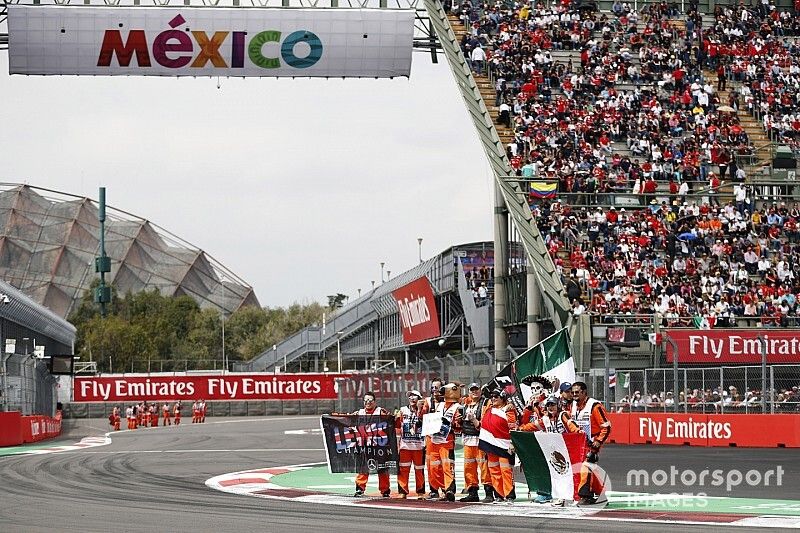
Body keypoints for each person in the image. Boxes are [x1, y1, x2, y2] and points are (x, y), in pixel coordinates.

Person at [519, 396, 582, 505]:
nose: (550, 407)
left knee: (571, 473)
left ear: (558, 405)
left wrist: (578, 432)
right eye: (548, 405)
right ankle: (558, 496)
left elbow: (572, 426)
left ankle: (577, 496)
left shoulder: (563, 415)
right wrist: (520, 429)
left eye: (553, 405)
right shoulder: (545, 419)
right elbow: (532, 426)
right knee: (558, 473)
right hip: (554, 452)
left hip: (568, 450)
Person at [570, 382, 612, 505]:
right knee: (589, 468)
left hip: (593, 441)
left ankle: (585, 496)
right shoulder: (573, 405)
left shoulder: (595, 406)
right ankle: (601, 495)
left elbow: (607, 426)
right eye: (573, 392)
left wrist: (598, 442)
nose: (574, 394)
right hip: (580, 442)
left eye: (577, 392)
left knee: (586, 466)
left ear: (584, 392)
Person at [478, 389, 516, 503]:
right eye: (492, 396)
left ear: (503, 398)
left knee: (506, 471)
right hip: (490, 445)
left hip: (505, 445)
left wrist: (513, 443)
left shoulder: (509, 410)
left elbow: (513, 427)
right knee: (494, 471)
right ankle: (499, 495)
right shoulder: (488, 409)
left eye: (496, 396)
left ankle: (509, 495)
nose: (493, 398)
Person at [426, 383, 463, 501]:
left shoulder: (458, 407)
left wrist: (451, 423)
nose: (442, 392)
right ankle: (440, 488)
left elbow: (459, 426)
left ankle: (449, 490)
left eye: (445, 390)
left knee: (448, 467)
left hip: (447, 441)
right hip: (434, 440)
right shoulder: (440, 405)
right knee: (434, 468)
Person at [353, 392, 391, 497]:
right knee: (363, 467)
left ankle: (385, 490)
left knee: (382, 468)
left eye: (370, 400)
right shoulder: (359, 413)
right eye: (366, 400)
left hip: (379, 446)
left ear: (374, 402)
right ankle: (360, 488)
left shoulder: (380, 412)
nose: (368, 402)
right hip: (365, 445)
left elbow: (390, 422)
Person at [459, 383, 491, 503]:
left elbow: (487, 420)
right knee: (469, 468)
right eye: (472, 390)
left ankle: (489, 493)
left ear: (480, 391)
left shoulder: (486, 403)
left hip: (481, 439)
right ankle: (472, 493)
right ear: (468, 392)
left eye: (476, 389)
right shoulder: (465, 404)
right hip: (467, 439)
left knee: (484, 467)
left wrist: (474, 420)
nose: (474, 392)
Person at [396, 390, 426, 499]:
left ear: (420, 399)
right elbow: (397, 426)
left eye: (415, 396)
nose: (412, 398)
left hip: (419, 446)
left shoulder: (424, 411)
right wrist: (397, 444)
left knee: (419, 470)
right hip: (405, 446)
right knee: (403, 469)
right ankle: (403, 491)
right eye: (410, 396)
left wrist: (420, 410)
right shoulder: (402, 410)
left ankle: (420, 492)